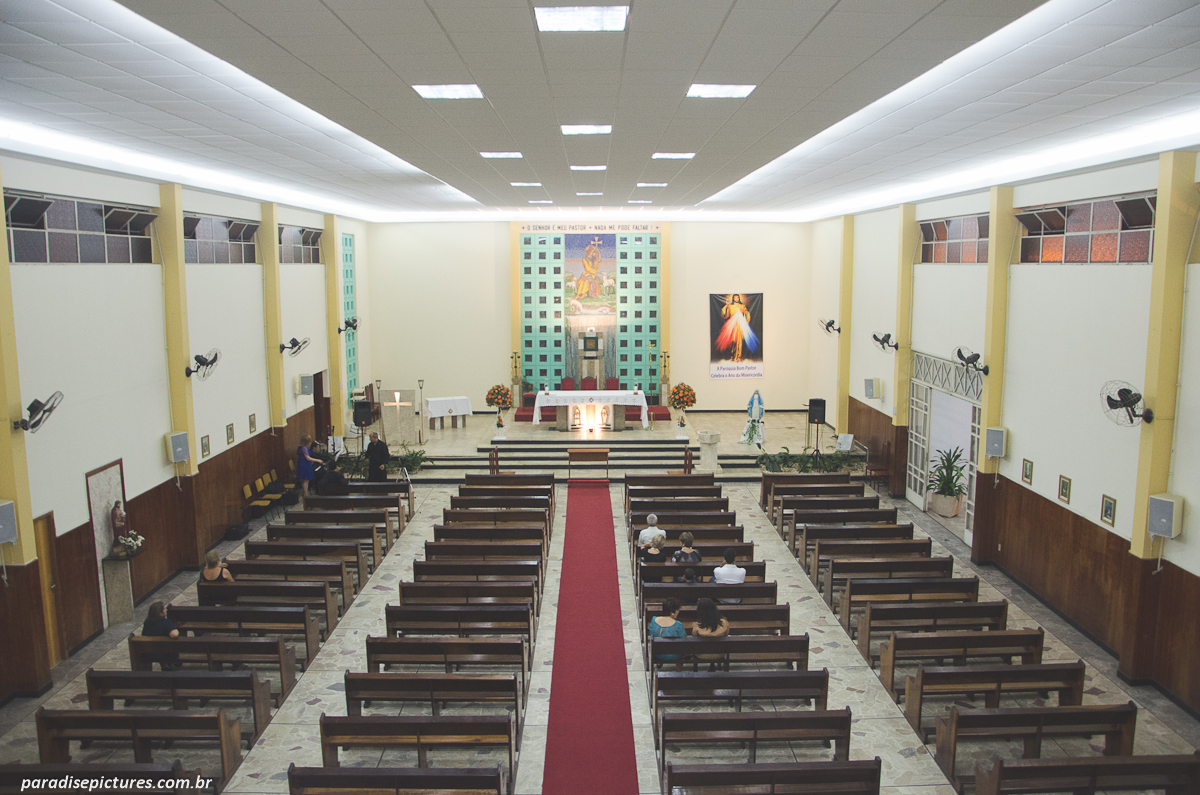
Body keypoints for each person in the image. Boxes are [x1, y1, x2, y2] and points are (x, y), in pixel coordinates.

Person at [715, 293, 760, 363]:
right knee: (733, 341)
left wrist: (745, 312)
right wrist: (726, 306)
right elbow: (725, 315)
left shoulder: (742, 306)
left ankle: (739, 357)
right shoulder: (730, 306)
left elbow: (747, 314)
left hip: (739, 324)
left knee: (739, 341)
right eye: (735, 298)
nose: (736, 299)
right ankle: (732, 356)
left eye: (737, 298)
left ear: (739, 298)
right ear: (733, 299)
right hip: (732, 325)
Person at [647, 598, 686, 670]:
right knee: (682, 650)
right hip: (672, 654)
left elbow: (651, 632)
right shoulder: (678, 625)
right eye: (678, 610)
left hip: (655, 651)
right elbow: (684, 639)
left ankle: (659, 663)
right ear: (672, 613)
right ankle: (679, 673)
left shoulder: (654, 619)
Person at [692, 598, 731, 670]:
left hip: (702, 654)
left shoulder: (697, 626)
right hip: (719, 653)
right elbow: (726, 635)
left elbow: (694, 638)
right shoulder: (724, 623)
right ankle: (713, 664)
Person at [141, 601, 181, 670]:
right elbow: (174, 634)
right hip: (166, 653)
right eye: (164, 609)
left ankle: (164, 664)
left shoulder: (147, 622)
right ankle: (170, 664)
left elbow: (144, 634)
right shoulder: (166, 622)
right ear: (160, 613)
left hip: (150, 652)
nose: (165, 611)